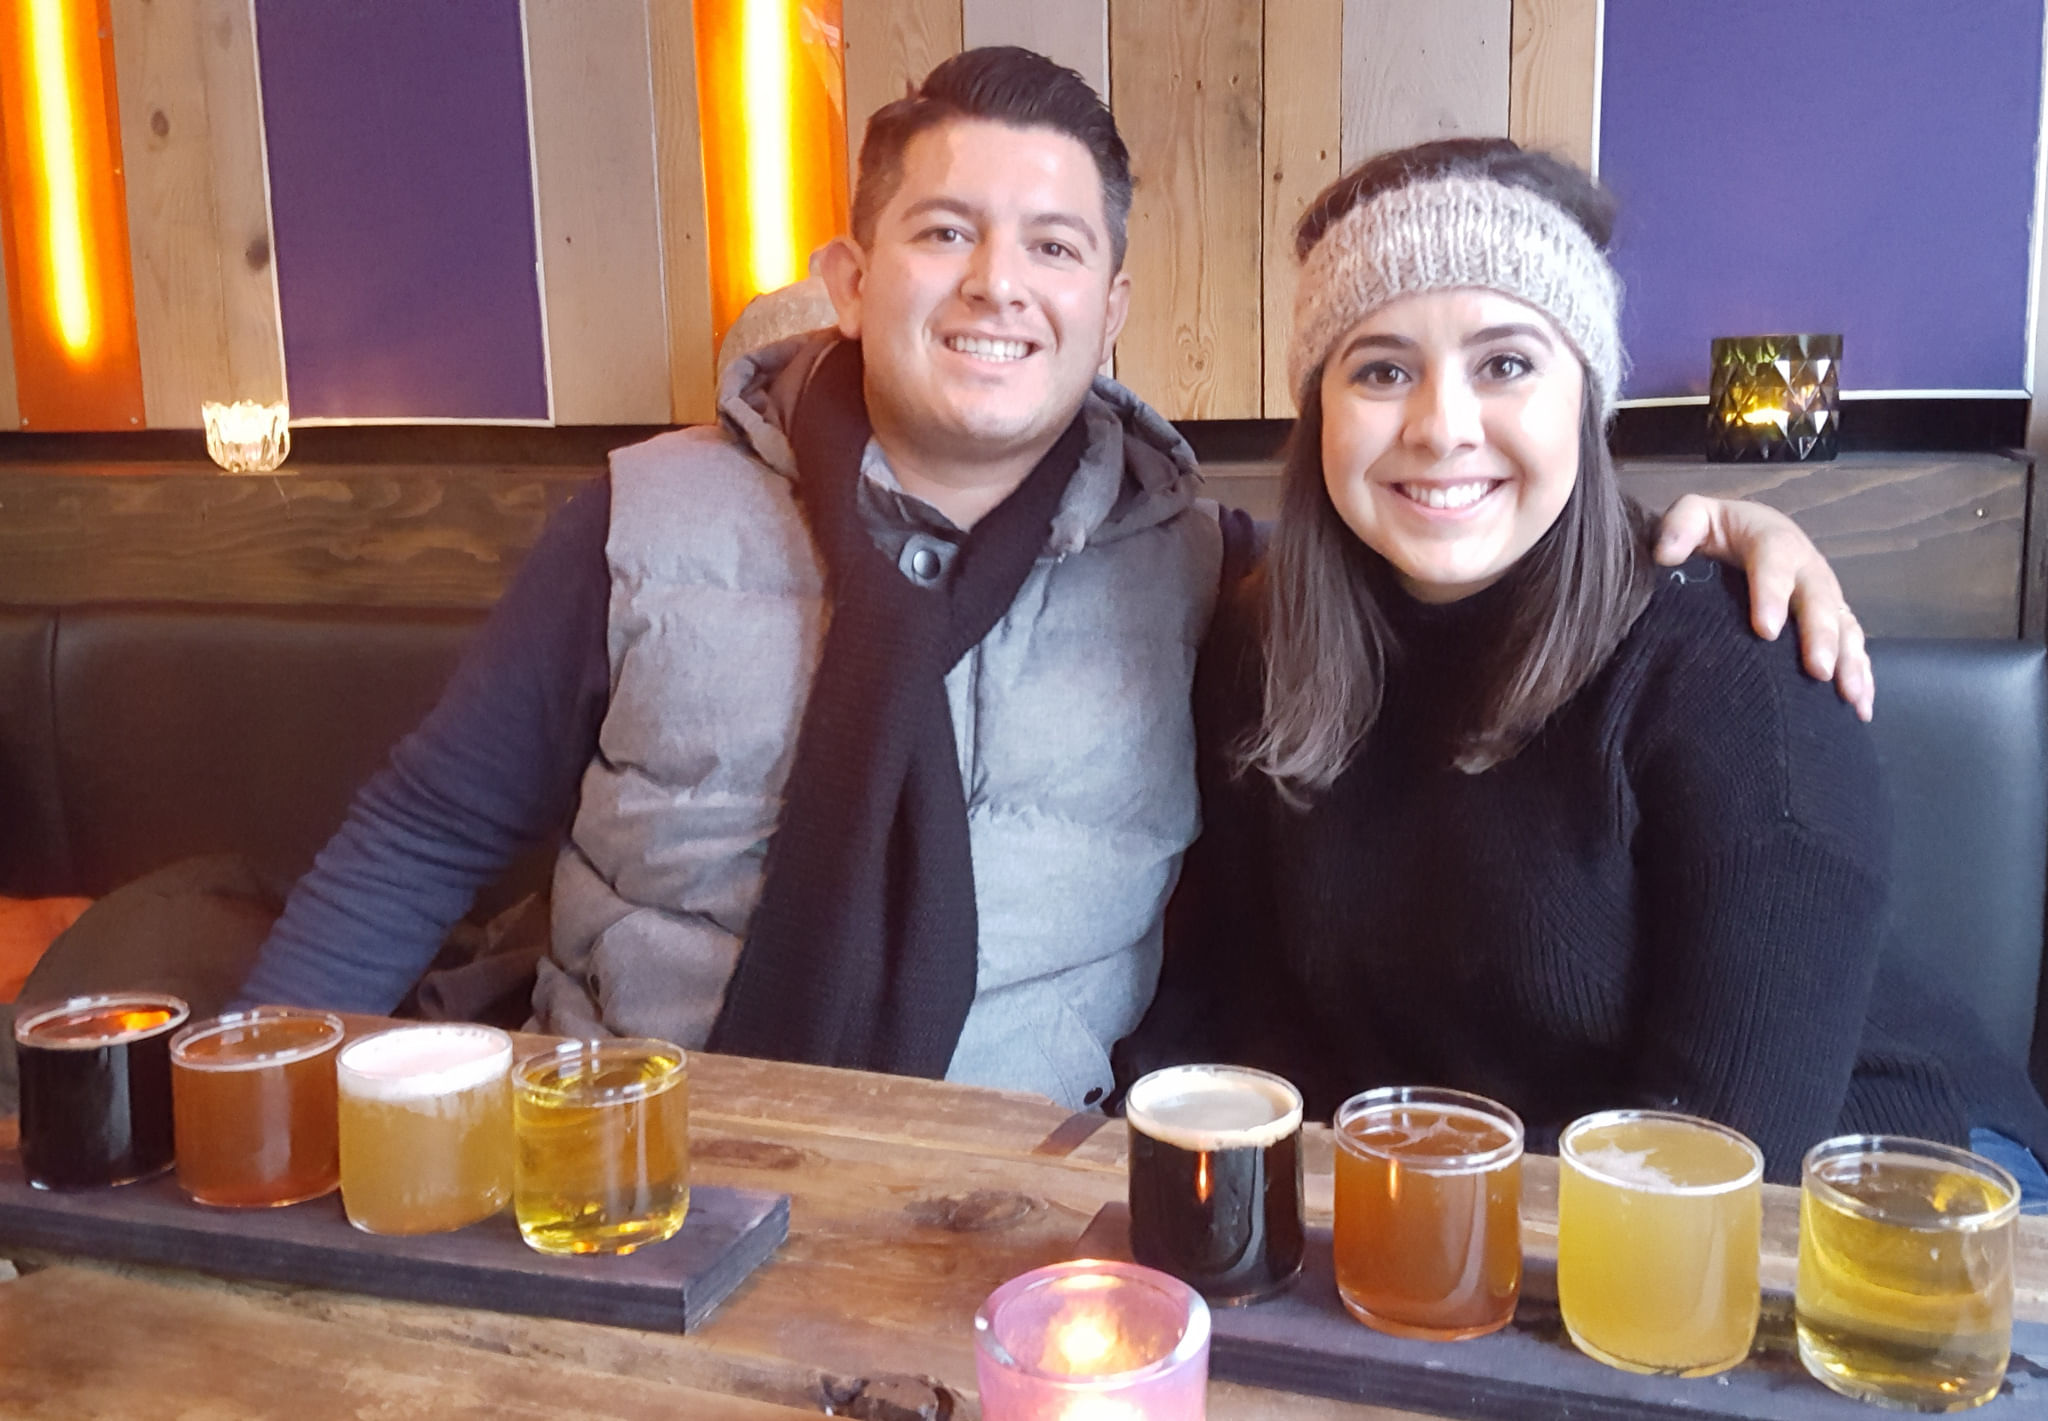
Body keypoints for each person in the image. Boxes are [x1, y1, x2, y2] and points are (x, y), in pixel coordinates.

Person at [235, 51, 1864, 1114]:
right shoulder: (638, 522)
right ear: (851, 277)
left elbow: (1466, 560)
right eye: (945, 233)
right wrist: (234, 1105)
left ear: (1110, 308)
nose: (998, 284)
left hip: (1022, 1211)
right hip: (628, 1157)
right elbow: (424, 831)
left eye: (1054, 246)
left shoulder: (1200, 574)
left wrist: (1696, 540)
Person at [1119, 138, 2048, 1188]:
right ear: (1319, 410)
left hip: (1882, 1188)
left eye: (1505, 364)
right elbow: (1242, 1022)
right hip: (1495, 1193)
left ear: (1584, 398)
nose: (1441, 426)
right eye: (1381, 369)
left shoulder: (1731, 666)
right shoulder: (1260, 648)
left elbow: (1717, 1168)